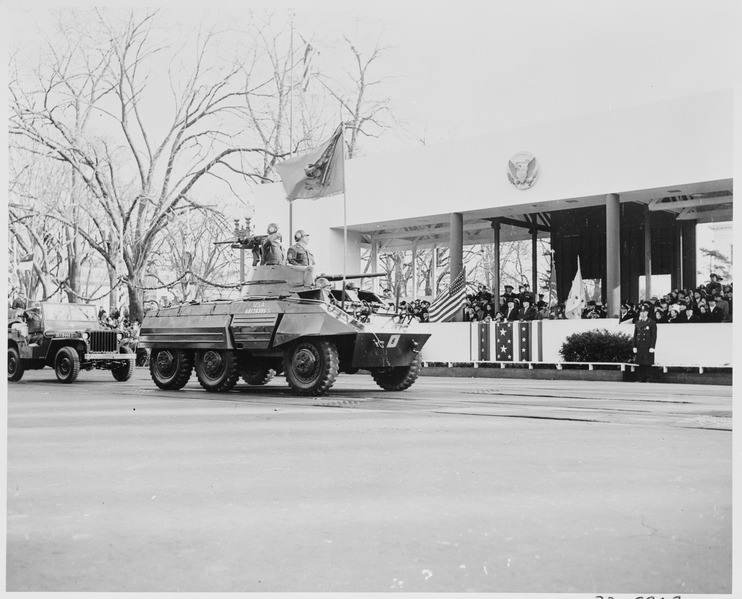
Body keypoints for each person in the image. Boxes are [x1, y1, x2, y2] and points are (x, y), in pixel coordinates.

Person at [632, 304, 657, 382]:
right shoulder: (637, 322)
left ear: (647, 313)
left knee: (647, 363)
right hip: (640, 345)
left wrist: (652, 346)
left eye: (644, 312)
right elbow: (635, 335)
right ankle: (640, 378)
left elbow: (653, 336)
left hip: (647, 345)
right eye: (641, 312)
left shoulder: (651, 322)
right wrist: (634, 346)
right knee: (640, 363)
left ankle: (648, 378)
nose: (642, 313)